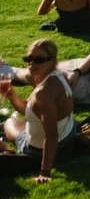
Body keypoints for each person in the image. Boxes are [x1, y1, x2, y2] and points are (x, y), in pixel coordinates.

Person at [1, 40, 76, 182]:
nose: (31, 64)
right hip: (68, 133)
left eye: (39, 60)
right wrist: (12, 96)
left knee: (9, 123)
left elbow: (51, 136)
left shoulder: (44, 93)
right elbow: (29, 109)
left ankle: (6, 147)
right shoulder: (59, 76)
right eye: (28, 59)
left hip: (39, 149)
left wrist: (45, 172)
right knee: (18, 121)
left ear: (52, 60)